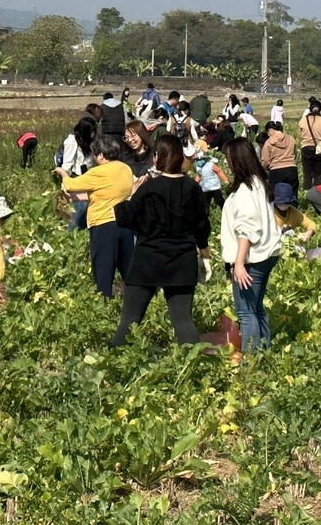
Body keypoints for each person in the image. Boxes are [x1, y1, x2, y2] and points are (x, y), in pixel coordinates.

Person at [109, 134, 212, 347]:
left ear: (157, 157)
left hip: (147, 260)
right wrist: (205, 255)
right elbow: (202, 226)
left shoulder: (148, 188)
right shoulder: (192, 187)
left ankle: (113, 364)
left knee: (129, 321)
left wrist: (131, 195)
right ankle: (192, 367)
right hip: (182, 260)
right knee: (183, 321)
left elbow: (124, 218)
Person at [220, 138, 283, 352]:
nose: (226, 163)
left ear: (238, 159)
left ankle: (251, 361)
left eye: (228, 158)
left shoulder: (246, 190)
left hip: (252, 258)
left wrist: (238, 263)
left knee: (246, 312)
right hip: (268, 254)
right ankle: (264, 350)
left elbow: (247, 229)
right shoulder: (259, 182)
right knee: (256, 308)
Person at [56, 134, 135, 298]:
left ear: (100, 155)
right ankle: (134, 299)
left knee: (103, 268)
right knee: (127, 267)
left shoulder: (98, 172)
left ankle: (103, 302)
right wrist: (78, 198)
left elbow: (70, 185)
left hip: (103, 224)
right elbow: (106, 192)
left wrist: (63, 173)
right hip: (125, 224)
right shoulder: (125, 169)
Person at [61, 115, 97, 231]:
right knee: (80, 207)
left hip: (88, 177)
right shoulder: (72, 141)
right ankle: (71, 232)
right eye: (91, 132)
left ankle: (82, 231)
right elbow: (67, 163)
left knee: (88, 206)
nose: (93, 134)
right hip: (76, 178)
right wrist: (64, 185)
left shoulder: (91, 141)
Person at [298, 102, 321, 190]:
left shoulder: (303, 120)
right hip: (319, 148)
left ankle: (306, 191)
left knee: (307, 173)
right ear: (320, 109)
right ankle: (317, 192)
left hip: (306, 147)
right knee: (318, 174)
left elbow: (300, 134)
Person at [260, 121, 299, 194]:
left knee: (276, 196)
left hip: (276, 171)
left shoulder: (268, 142)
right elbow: (295, 153)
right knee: (292, 194)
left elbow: (265, 160)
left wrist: (264, 168)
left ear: (270, 130)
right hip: (292, 169)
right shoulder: (291, 138)